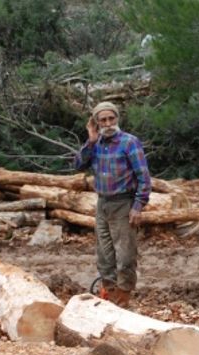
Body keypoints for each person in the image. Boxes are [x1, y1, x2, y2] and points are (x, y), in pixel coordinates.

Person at [74, 101, 151, 308]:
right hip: (103, 204)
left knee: (125, 256)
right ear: (96, 122)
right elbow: (78, 164)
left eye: (111, 118)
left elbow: (143, 177)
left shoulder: (129, 142)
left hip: (123, 204)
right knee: (104, 256)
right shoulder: (95, 144)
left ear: (117, 119)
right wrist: (90, 140)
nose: (108, 123)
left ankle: (123, 303)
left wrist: (138, 206)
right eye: (103, 120)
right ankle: (110, 300)